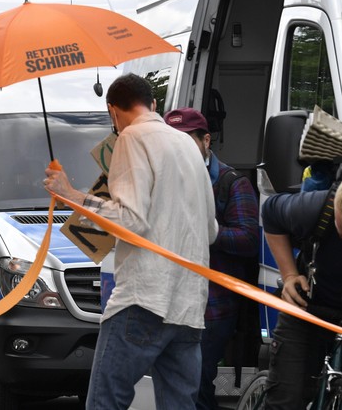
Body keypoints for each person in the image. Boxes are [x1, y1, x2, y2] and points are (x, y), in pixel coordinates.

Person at [44, 74, 217, 409]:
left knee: (105, 401)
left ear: (113, 110)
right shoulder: (188, 145)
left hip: (143, 299)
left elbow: (131, 220)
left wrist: (71, 195)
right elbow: (210, 230)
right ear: (152, 104)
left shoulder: (131, 137)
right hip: (190, 305)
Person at [164, 107, 261, 410]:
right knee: (178, 388)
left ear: (206, 140)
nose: (178, 150)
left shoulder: (232, 183)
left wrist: (208, 231)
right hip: (167, 303)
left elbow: (249, 240)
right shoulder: (161, 180)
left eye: (186, 141)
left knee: (197, 386)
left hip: (212, 307)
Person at [261, 175, 342, 408]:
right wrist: (288, 275)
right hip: (306, 311)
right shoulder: (315, 207)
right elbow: (271, 213)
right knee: (288, 396)